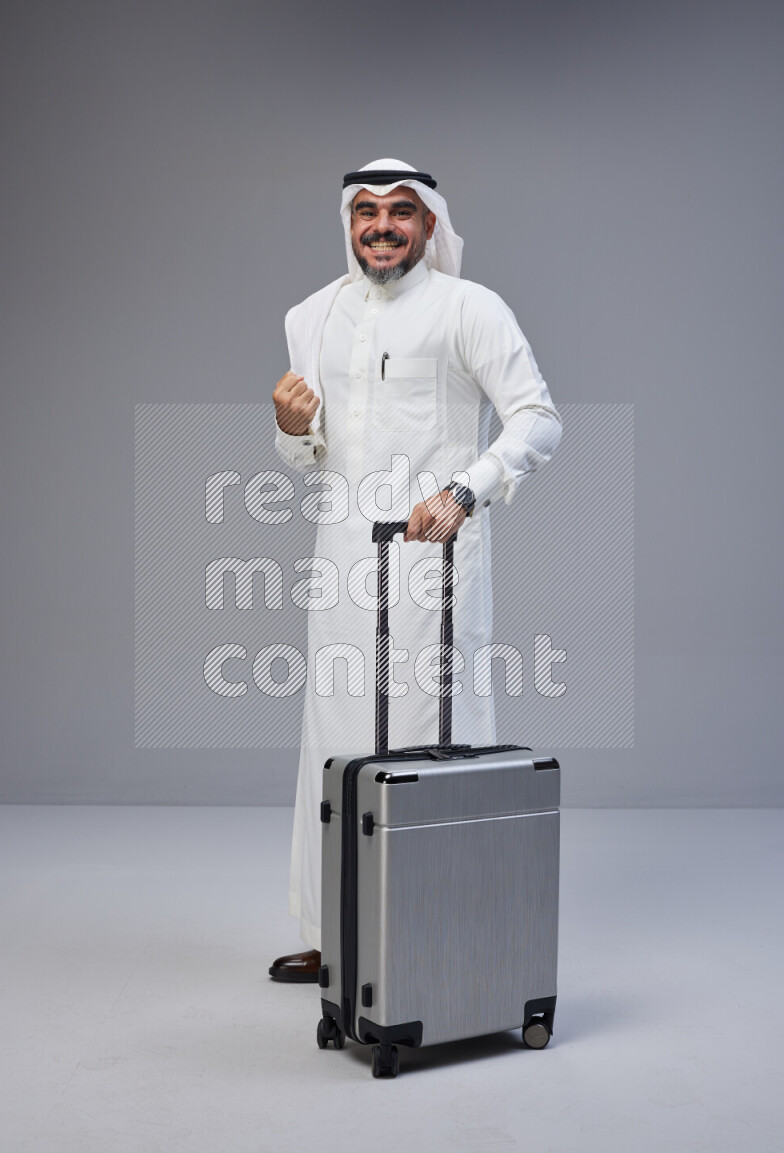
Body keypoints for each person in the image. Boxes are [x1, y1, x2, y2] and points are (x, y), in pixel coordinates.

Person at [268, 158, 562, 983]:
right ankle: (336, 935)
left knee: (441, 737)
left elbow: (538, 420)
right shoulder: (311, 316)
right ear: (348, 222)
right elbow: (310, 453)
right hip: (341, 565)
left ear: (430, 223)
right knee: (334, 739)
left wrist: (468, 490)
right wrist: (289, 428)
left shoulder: (471, 308)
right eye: (366, 211)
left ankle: (439, 931)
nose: (382, 225)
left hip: (438, 559)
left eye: (401, 210)